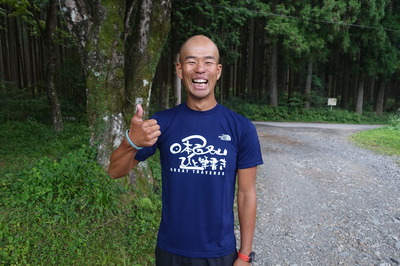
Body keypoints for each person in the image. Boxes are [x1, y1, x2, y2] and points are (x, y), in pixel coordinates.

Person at [108, 35, 263, 265]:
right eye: (191, 62)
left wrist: (244, 255)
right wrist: (131, 141)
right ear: (180, 70)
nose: (200, 69)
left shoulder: (241, 128)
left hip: (220, 253)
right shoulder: (163, 123)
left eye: (208, 62)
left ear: (218, 71)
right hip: (171, 250)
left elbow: (246, 194)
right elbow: (114, 171)